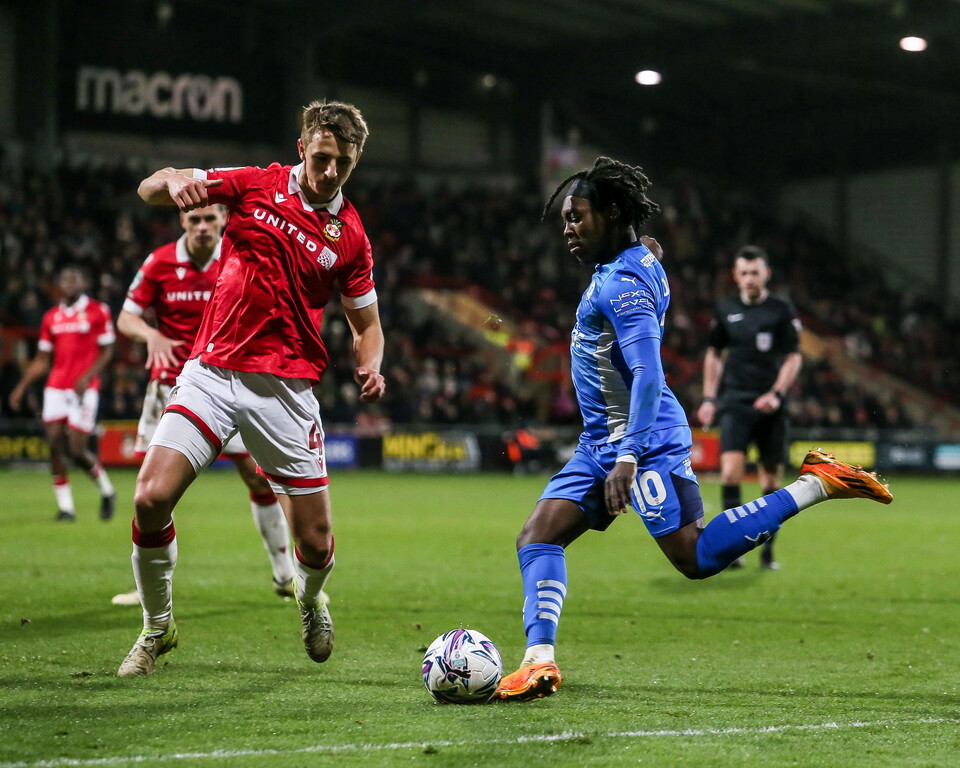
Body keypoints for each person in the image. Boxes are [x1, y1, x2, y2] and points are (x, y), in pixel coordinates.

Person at [494, 157, 893, 702]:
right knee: (537, 535)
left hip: (643, 438)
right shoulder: (636, 259)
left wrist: (630, 456)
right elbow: (652, 247)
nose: (566, 228)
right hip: (600, 441)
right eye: (565, 218)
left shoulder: (622, 286)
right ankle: (539, 662)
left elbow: (649, 372)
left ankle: (817, 483)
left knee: (695, 557)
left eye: (576, 217)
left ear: (610, 213)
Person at [117, 100, 385, 677]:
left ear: (355, 159)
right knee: (149, 496)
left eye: (342, 162)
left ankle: (310, 601)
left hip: (285, 390)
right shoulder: (255, 183)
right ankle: (156, 629)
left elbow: (367, 325)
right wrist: (168, 179)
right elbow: (151, 189)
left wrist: (371, 364)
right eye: (321, 158)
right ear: (302, 150)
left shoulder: (352, 238)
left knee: (314, 543)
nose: (330, 171)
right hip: (212, 371)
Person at [111, 203, 298, 605]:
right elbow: (126, 318)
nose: (201, 226)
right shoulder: (159, 262)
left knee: (257, 476)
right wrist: (151, 335)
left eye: (209, 219)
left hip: (225, 384)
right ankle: (147, 588)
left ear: (222, 221)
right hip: (168, 388)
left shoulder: (239, 256)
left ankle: (284, 575)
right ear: (182, 222)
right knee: (152, 491)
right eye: (193, 219)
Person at [696, 246, 803, 570]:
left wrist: (777, 393)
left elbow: (793, 357)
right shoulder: (726, 309)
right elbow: (714, 354)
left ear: (765, 273)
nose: (749, 278)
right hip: (736, 401)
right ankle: (734, 551)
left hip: (771, 405)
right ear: (735, 276)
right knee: (730, 472)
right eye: (743, 273)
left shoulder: (781, 309)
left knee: (771, 483)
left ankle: (768, 553)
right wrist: (709, 398)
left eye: (754, 272)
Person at [9, 266, 117, 522]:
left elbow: (108, 350)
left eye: (74, 279)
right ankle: (66, 508)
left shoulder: (97, 311)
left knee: (77, 449)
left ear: (83, 282)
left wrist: (89, 375)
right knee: (55, 445)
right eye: (64, 279)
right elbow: (42, 359)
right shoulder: (51, 317)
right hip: (56, 387)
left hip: (84, 389)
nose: (69, 283)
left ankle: (107, 490)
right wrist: (21, 386)